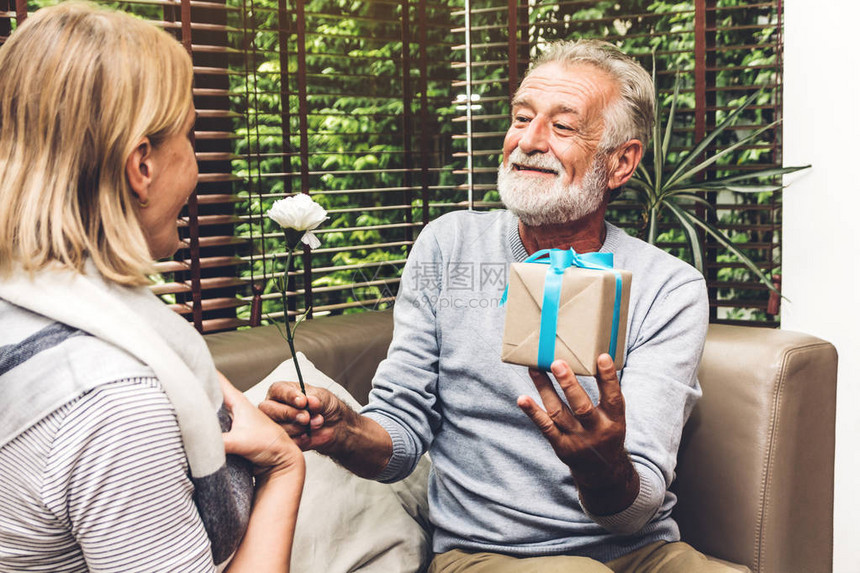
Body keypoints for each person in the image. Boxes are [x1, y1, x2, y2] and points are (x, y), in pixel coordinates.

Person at [262, 40, 740, 572]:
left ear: (621, 162)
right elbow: (401, 434)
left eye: (562, 127)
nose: (527, 141)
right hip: (486, 556)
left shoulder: (668, 287)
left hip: (639, 551)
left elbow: (635, 508)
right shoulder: (448, 246)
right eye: (521, 117)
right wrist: (345, 431)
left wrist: (601, 468)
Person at [0, 3, 303, 571]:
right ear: (142, 165)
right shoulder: (114, 403)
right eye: (189, 135)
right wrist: (285, 468)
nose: (195, 164)